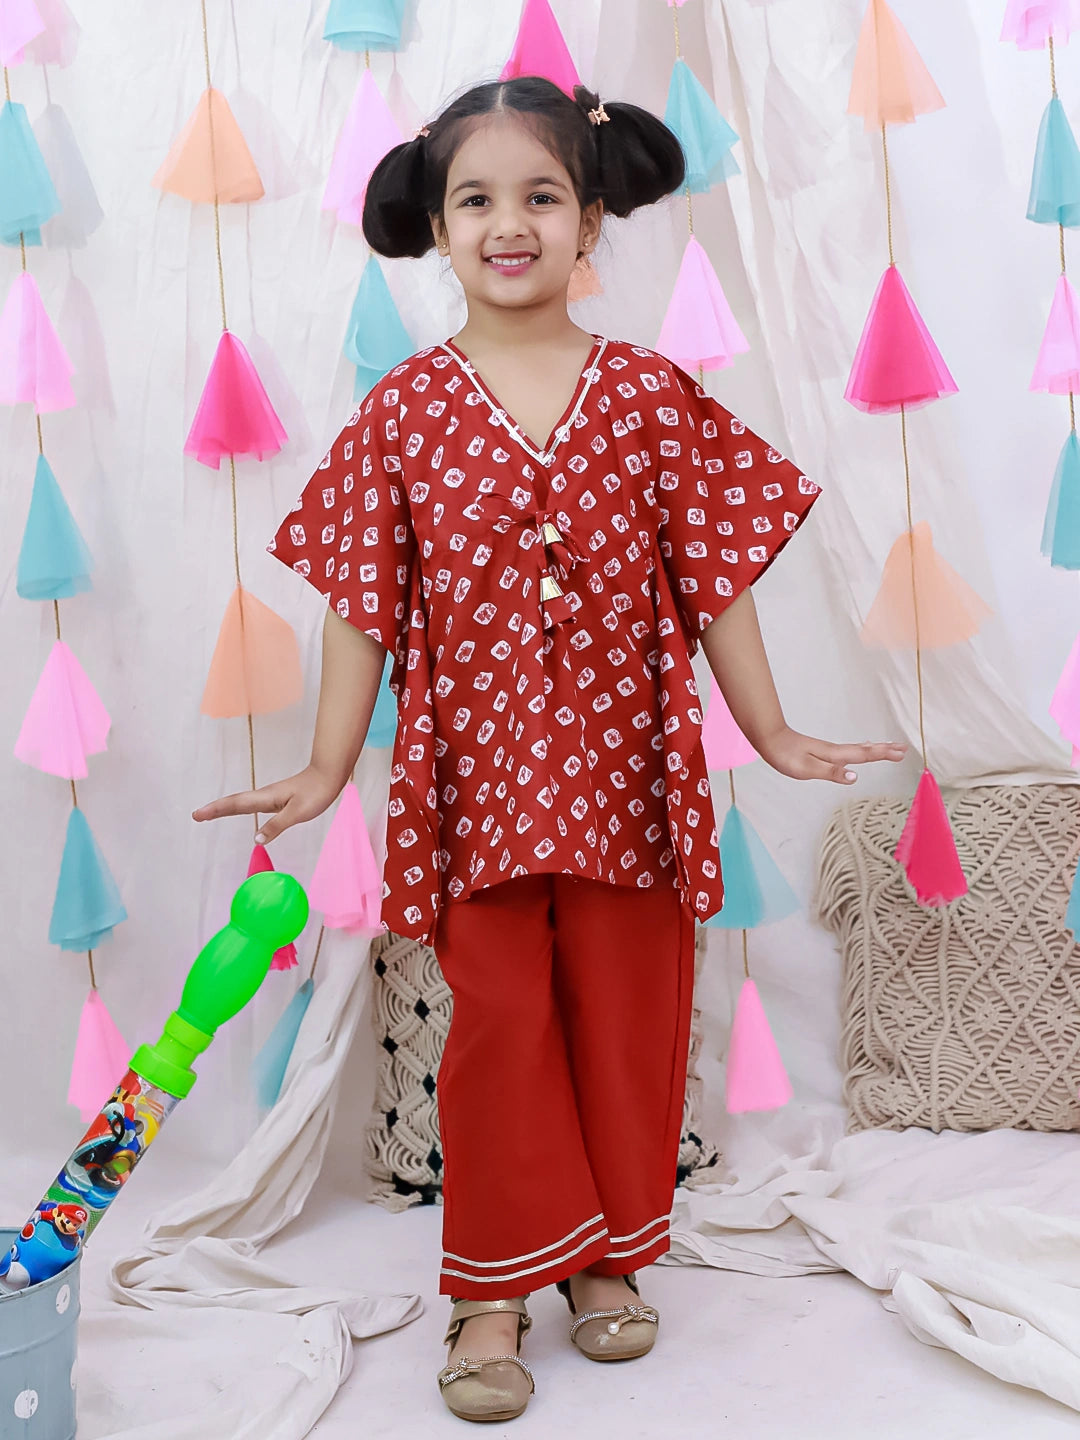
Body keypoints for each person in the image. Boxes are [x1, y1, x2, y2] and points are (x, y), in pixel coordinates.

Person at [194, 76, 906, 1424]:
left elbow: (715, 581)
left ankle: (604, 1257)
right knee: (500, 1033)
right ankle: (488, 1291)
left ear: (590, 221)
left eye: (541, 196)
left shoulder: (651, 396)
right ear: (436, 225)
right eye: (476, 199)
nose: (508, 224)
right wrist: (327, 767)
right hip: (475, 792)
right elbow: (360, 603)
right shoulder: (405, 411)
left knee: (628, 1024)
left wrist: (771, 730)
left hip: (634, 781)